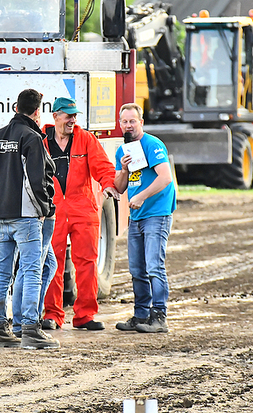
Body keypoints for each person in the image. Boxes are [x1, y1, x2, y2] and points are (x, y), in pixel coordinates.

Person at [0, 88, 60, 349]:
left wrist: (0, 203)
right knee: (31, 270)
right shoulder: (31, 137)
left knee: (2, 273)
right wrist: (44, 208)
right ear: (37, 112)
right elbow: (35, 180)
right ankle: (30, 329)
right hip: (25, 217)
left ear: (16, 107)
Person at [41, 97, 119, 331]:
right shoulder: (42, 141)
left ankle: (85, 315)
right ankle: (53, 315)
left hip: (83, 208)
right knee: (52, 262)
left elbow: (103, 167)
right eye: (67, 115)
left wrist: (108, 184)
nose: (72, 120)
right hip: (53, 210)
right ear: (55, 116)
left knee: (86, 262)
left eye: (74, 115)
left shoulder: (86, 139)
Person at [114, 103, 176, 333]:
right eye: (124, 121)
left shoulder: (152, 144)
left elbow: (165, 177)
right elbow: (120, 188)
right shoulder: (123, 150)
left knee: (153, 266)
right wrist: (122, 170)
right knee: (136, 268)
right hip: (137, 216)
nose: (128, 125)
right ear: (120, 124)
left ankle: (159, 317)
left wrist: (140, 196)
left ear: (141, 122)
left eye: (132, 121)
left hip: (156, 214)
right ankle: (141, 315)